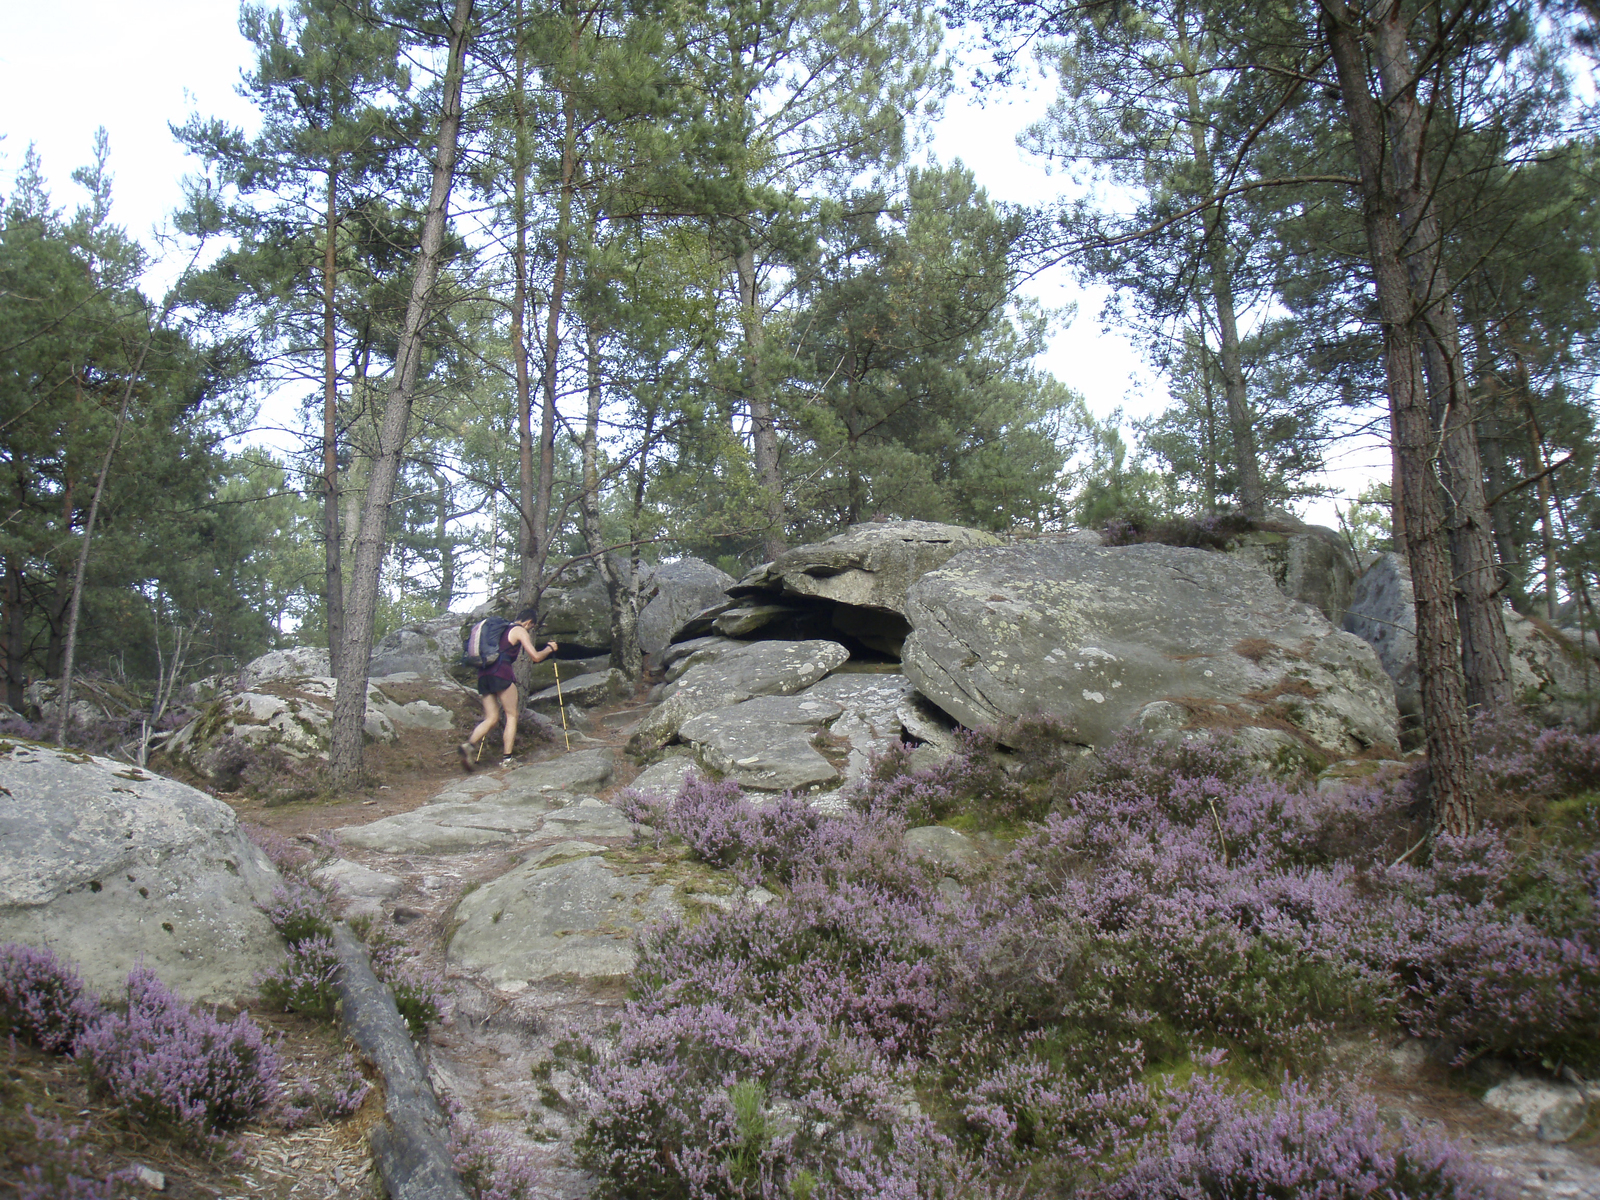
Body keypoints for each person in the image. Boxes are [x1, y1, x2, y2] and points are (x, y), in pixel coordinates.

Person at [458, 607, 557, 772]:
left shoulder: (499, 631)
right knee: (512, 715)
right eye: (531, 627)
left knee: (491, 718)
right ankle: (507, 759)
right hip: (501, 673)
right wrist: (549, 648)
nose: (529, 629)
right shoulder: (518, 630)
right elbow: (535, 657)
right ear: (528, 622)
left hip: (483, 673)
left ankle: (468, 745)